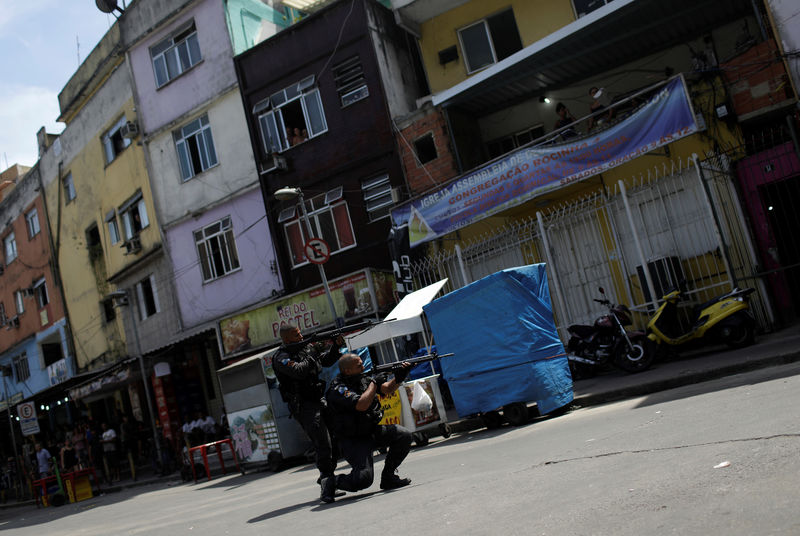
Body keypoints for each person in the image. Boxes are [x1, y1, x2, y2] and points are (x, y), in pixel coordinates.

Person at [271, 324, 344, 503]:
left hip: (318, 398)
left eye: (300, 333)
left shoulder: (306, 348)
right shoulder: (281, 357)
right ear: (287, 339)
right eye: (297, 335)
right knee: (322, 442)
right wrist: (312, 354)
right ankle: (327, 485)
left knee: (335, 438)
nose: (301, 336)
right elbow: (298, 371)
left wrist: (335, 345)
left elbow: (325, 361)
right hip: (303, 405)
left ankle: (327, 478)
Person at [326, 353, 413, 498]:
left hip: (372, 430)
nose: (363, 367)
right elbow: (361, 405)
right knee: (363, 480)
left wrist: (399, 377)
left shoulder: (363, 378)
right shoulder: (338, 388)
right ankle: (331, 481)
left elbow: (386, 389)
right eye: (359, 365)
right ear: (347, 370)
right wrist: (373, 383)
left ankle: (388, 478)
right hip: (354, 439)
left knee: (404, 435)